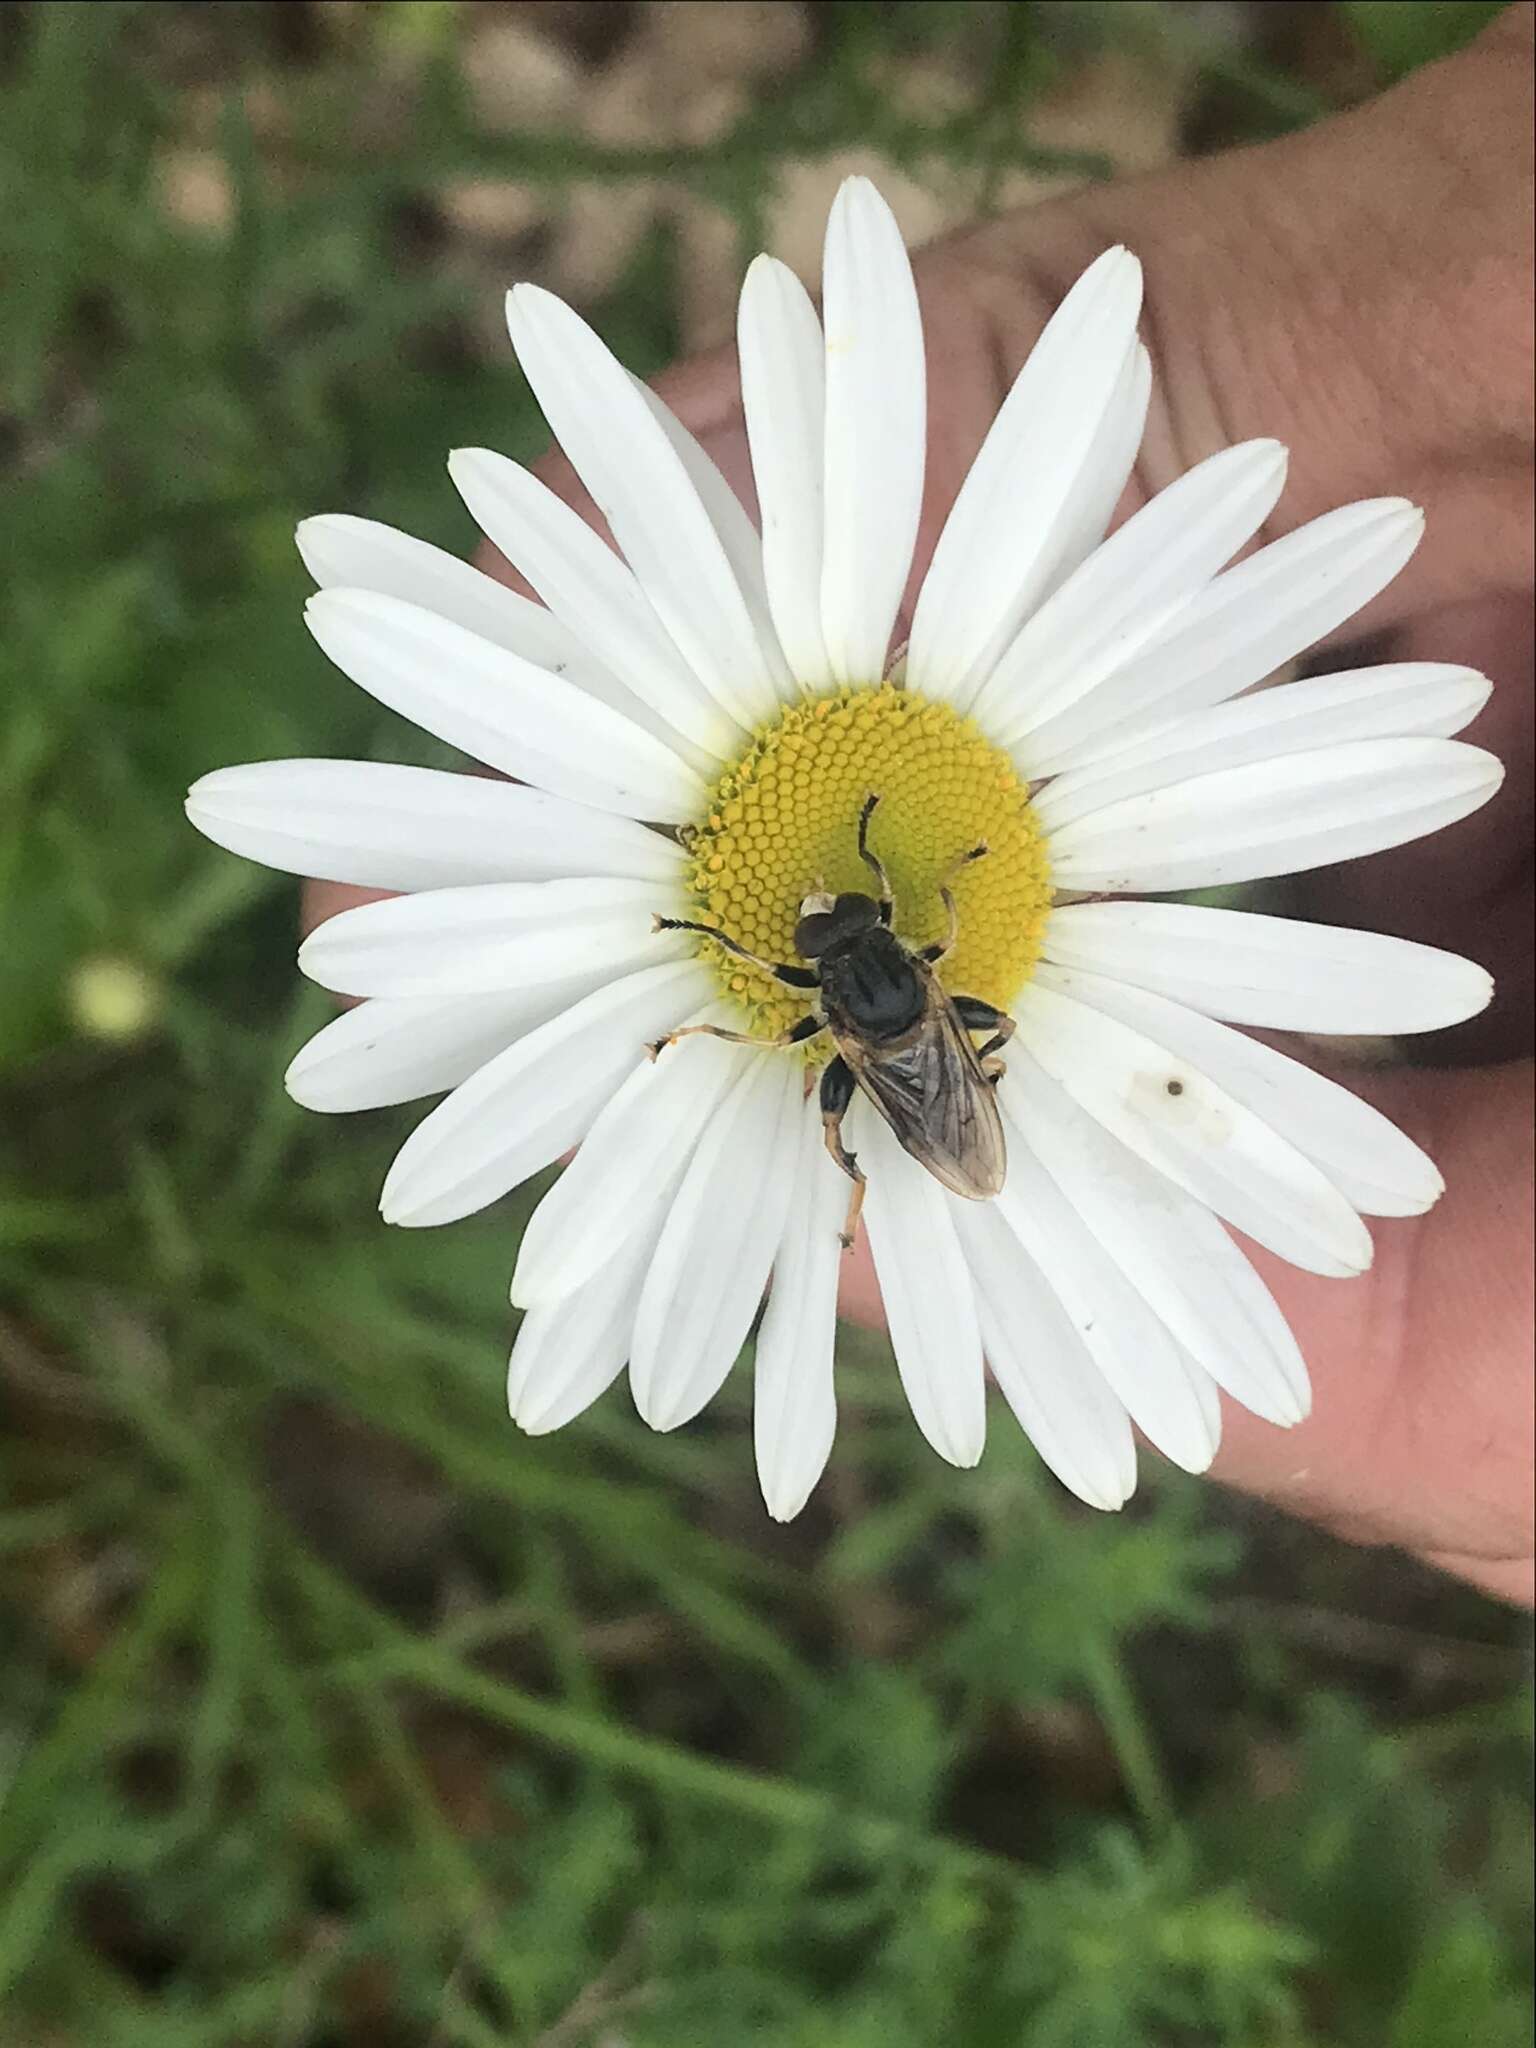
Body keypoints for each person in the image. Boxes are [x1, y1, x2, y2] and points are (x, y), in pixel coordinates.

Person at [306, 8, 1534, 1602]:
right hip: (954, 904)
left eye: (837, 929)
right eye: (857, 926)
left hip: (934, 902)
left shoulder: (842, 977)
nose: (832, 918)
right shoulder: (910, 961)